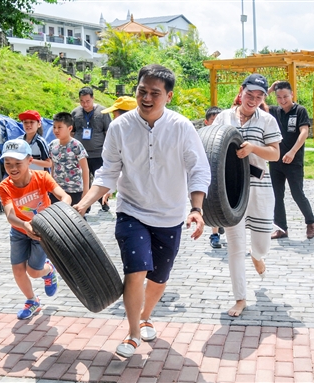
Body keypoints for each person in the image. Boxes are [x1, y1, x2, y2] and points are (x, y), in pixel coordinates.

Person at [74, 64, 211, 358]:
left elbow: (198, 169)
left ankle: (146, 315)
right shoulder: (120, 128)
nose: (146, 98)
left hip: (170, 215)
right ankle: (134, 332)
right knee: (136, 271)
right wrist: (84, 203)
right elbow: (108, 173)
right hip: (131, 211)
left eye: (154, 93)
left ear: (169, 96)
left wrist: (196, 209)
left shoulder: (182, 127)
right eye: (141, 91)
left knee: (159, 278)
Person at [213, 74, 282, 317]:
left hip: (260, 189)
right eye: (249, 94)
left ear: (263, 97)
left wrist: (253, 148)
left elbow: (274, 154)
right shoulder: (224, 117)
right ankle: (240, 298)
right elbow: (212, 146)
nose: (253, 99)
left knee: (261, 245)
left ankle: (258, 257)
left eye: (259, 96)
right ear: (241, 91)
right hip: (231, 190)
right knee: (234, 247)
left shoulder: (267, 120)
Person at [0, 139, 72, 320]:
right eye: (8, 164)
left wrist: (59, 213)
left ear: (30, 161)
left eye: (17, 163)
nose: (12, 168)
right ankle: (32, 301)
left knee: (33, 271)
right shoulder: (4, 186)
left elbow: (64, 196)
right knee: (18, 270)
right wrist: (24, 225)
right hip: (19, 230)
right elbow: (10, 215)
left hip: (42, 232)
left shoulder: (42, 178)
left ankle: (49, 271)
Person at [268, 81, 314, 239]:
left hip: (293, 161)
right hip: (275, 161)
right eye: (279, 97)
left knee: (297, 193)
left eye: (285, 96)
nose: (282, 100)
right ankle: (281, 228)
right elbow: (258, 103)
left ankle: (310, 222)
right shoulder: (274, 111)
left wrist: (292, 152)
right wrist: (269, 89)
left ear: (292, 94)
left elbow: (304, 132)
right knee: (277, 195)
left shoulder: (300, 110)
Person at [71, 87, 112, 212]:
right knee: (83, 180)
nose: (85, 104)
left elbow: (108, 132)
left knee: (99, 180)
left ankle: (103, 202)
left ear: (93, 98)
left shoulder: (103, 112)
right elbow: (72, 132)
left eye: (88, 101)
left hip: (98, 153)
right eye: (82, 101)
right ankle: (84, 205)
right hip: (81, 154)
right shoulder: (75, 113)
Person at [100, 96, 138, 206]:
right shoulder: (119, 135)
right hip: (127, 200)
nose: (113, 119)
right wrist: (109, 188)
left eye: (114, 115)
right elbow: (114, 166)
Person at [48, 112, 90, 205]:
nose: (56, 130)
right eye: (54, 127)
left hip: (75, 190)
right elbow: (53, 166)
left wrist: (86, 190)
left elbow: (85, 169)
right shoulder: (52, 145)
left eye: (59, 127)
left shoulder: (76, 145)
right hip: (57, 190)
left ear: (69, 128)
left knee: (75, 217)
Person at [204, 106, 225, 249]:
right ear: (207, 122)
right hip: (208, 176)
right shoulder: (203, 137)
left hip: (223, 175)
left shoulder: (225, 137)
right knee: (213, 204)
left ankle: (221, 225)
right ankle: (215, 234)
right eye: (213, 120)